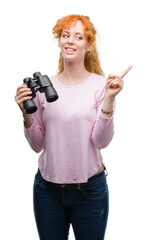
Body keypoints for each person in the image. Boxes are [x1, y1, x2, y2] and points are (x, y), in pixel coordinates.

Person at [15, 14, 132, 240]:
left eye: (78, 37)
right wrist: (25, 114)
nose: (70, 40)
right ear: (59, 41)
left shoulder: (101, 85)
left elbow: (101, 141)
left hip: (90, 190)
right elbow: (37, 145)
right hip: (47, 190)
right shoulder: (44, 87)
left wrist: (109, 99)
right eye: (65, 35)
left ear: (88, 46)